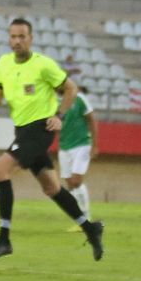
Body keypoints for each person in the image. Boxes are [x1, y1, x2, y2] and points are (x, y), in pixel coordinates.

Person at [0, 18, 103, 261]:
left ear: (31, 38)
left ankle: (4, 239)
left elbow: (71, 88)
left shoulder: (43, 65)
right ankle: (91, 228)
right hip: (21, 131)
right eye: (13, 36)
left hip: (40, 129)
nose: (17, 41)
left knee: (0, 171)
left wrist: (60, 115)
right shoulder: (3, 64)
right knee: (52, 188)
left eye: (22, 36)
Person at [55, 84, 100, 224]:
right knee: (69, 184)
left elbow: (92, 119)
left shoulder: (79, 99)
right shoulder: (55, 102)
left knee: (76, 181)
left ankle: (86, 217)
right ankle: (79, 220)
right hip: (64, 147)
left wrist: (95, 144)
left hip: (82, 145)